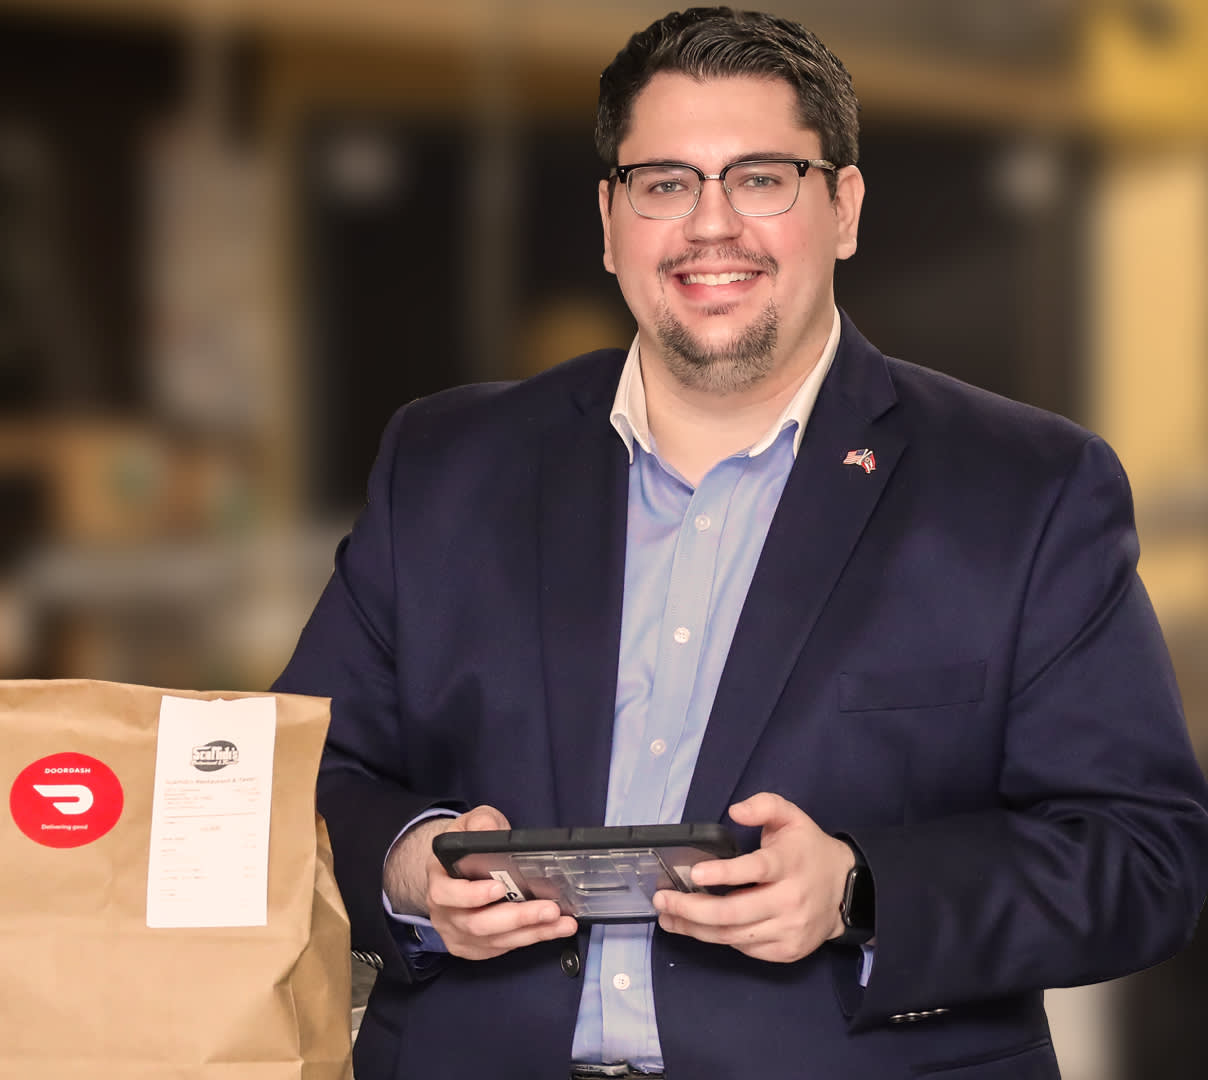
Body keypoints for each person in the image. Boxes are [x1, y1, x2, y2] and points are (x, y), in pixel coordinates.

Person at [273, 7, 1208, 1078]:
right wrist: (406, 869)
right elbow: (297, 775)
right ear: (610, 220)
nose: (708, 225)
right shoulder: (443, 462)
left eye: (761, 178)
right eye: (664, 182)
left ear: (842, 208)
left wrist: (859, 887)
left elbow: (1143, 859)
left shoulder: (1025, 489)